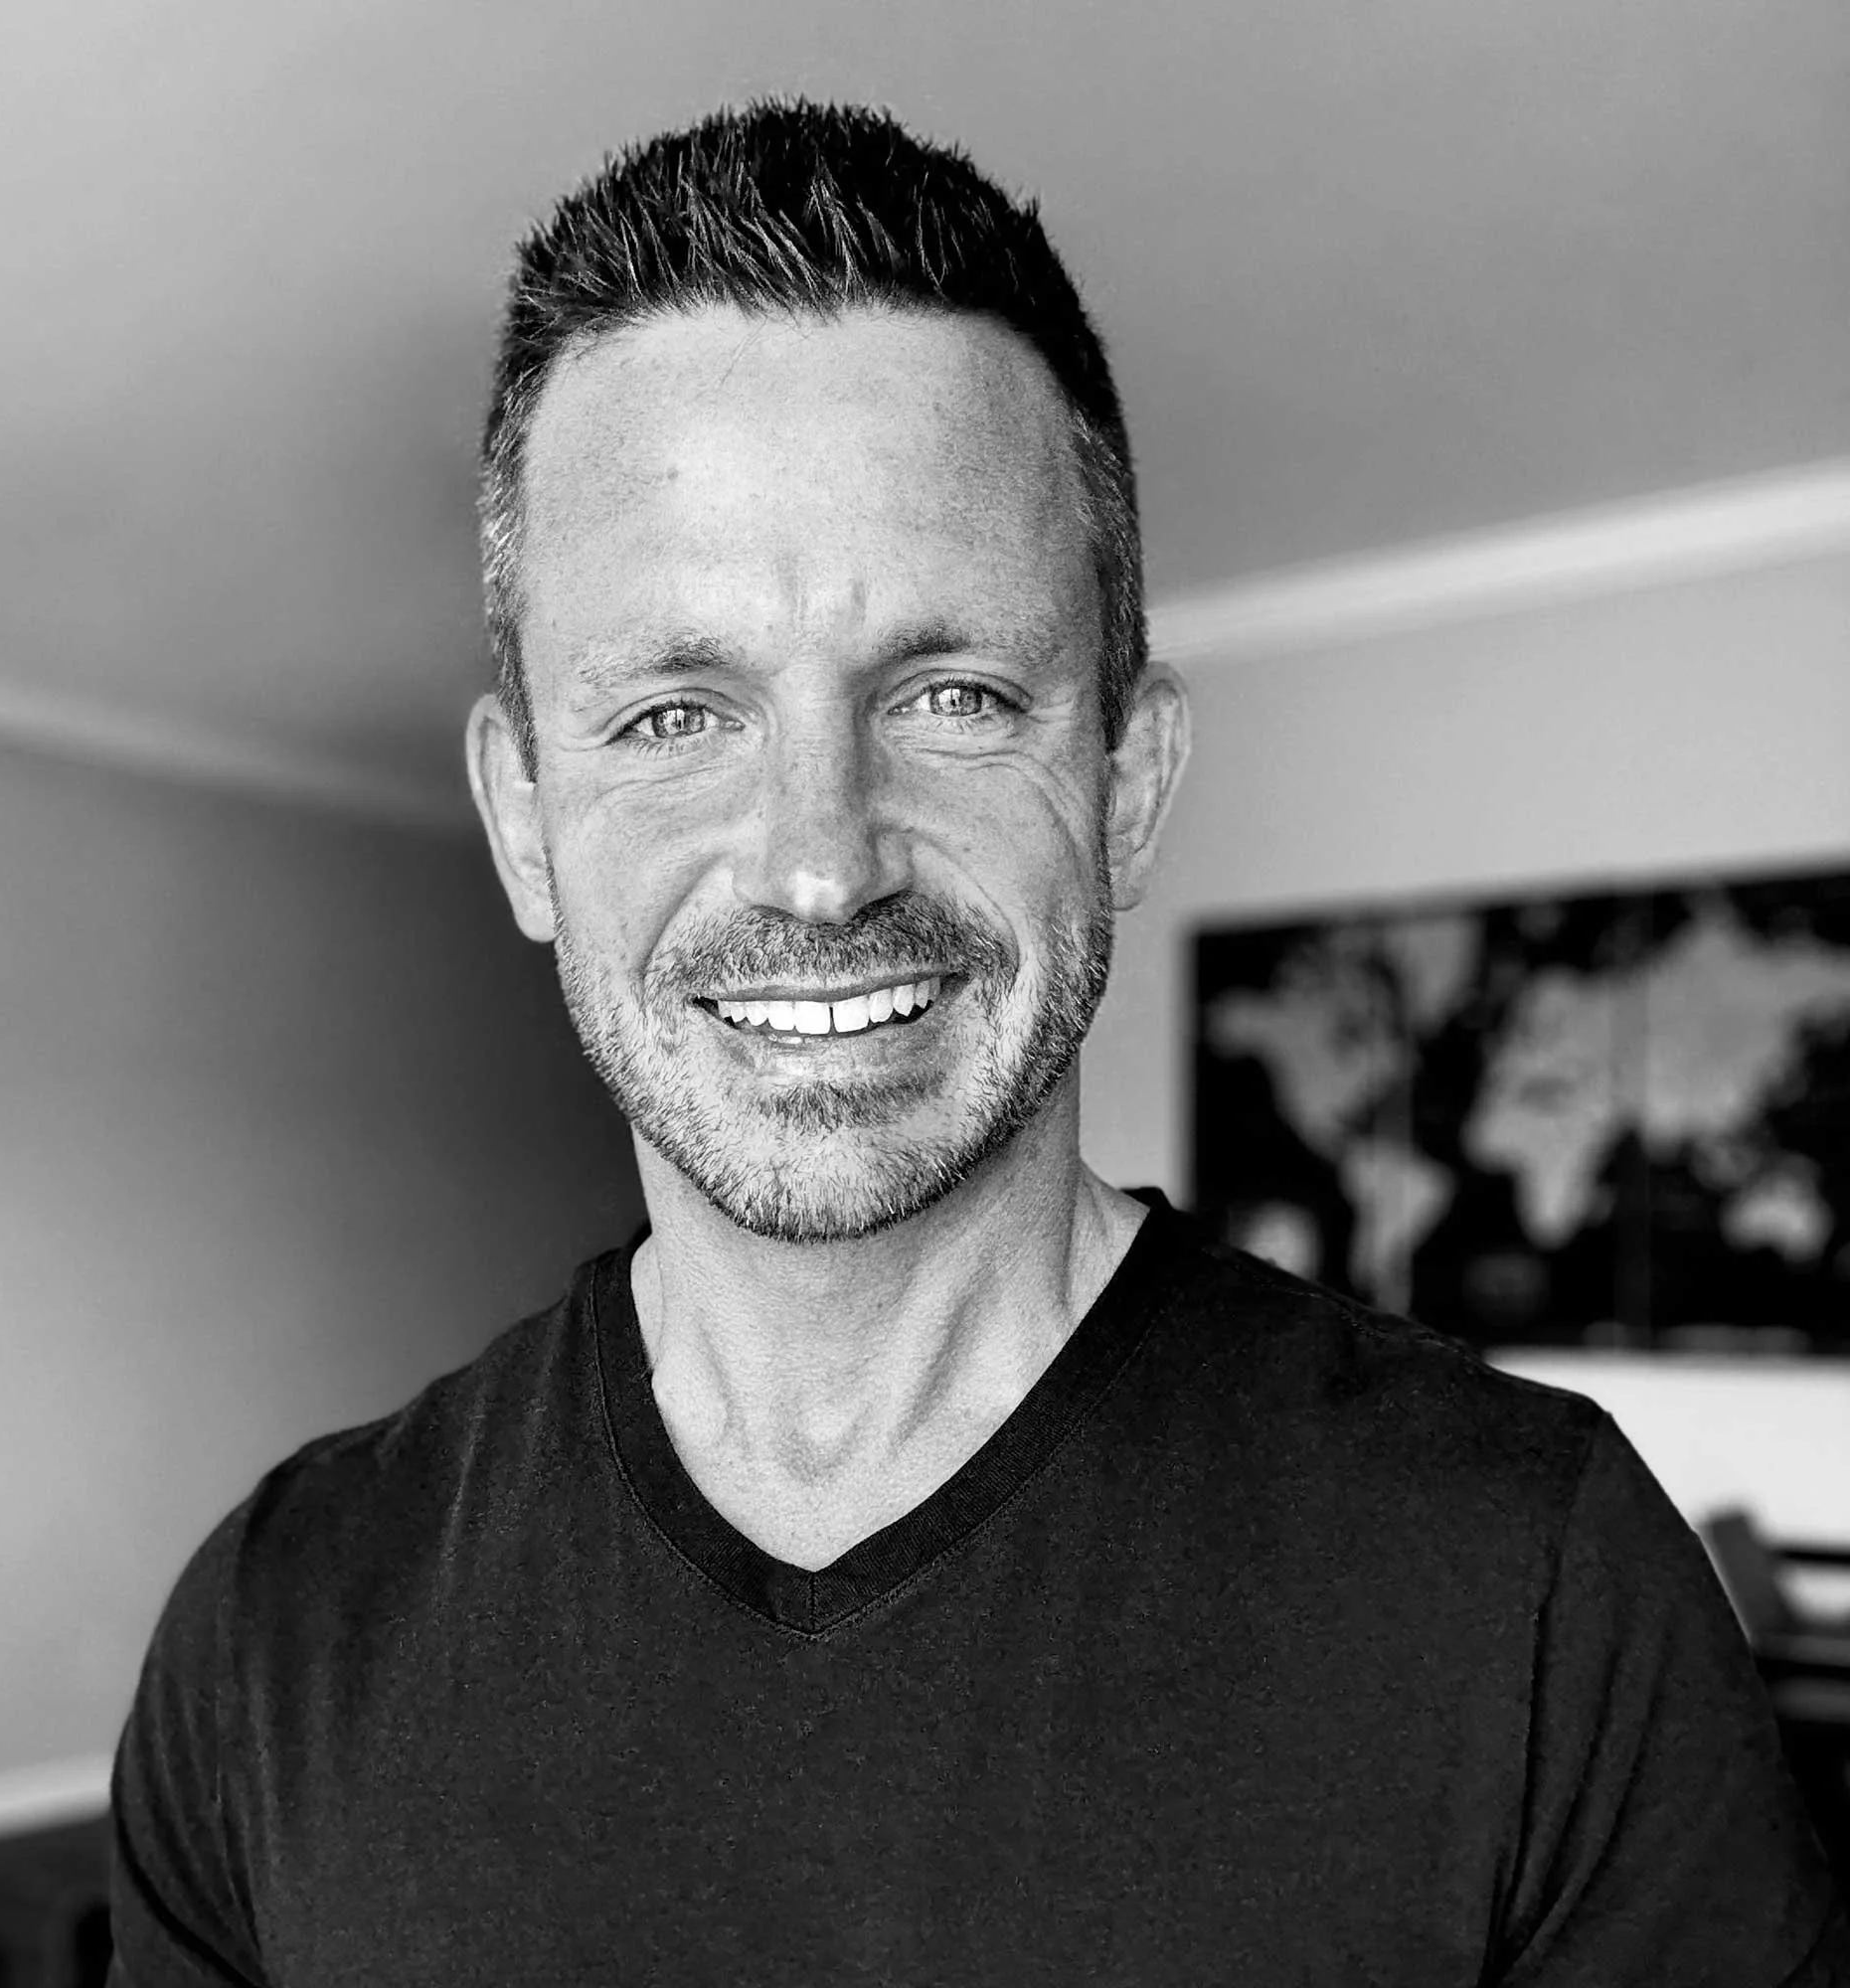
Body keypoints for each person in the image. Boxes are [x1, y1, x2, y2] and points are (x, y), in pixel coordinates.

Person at [107, 99, 1850, 1984]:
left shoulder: (1540, 1592)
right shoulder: (275, 1634)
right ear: (526, 822)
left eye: (951, 694)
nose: (818, 861)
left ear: (1124, 784)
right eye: (675, 716)